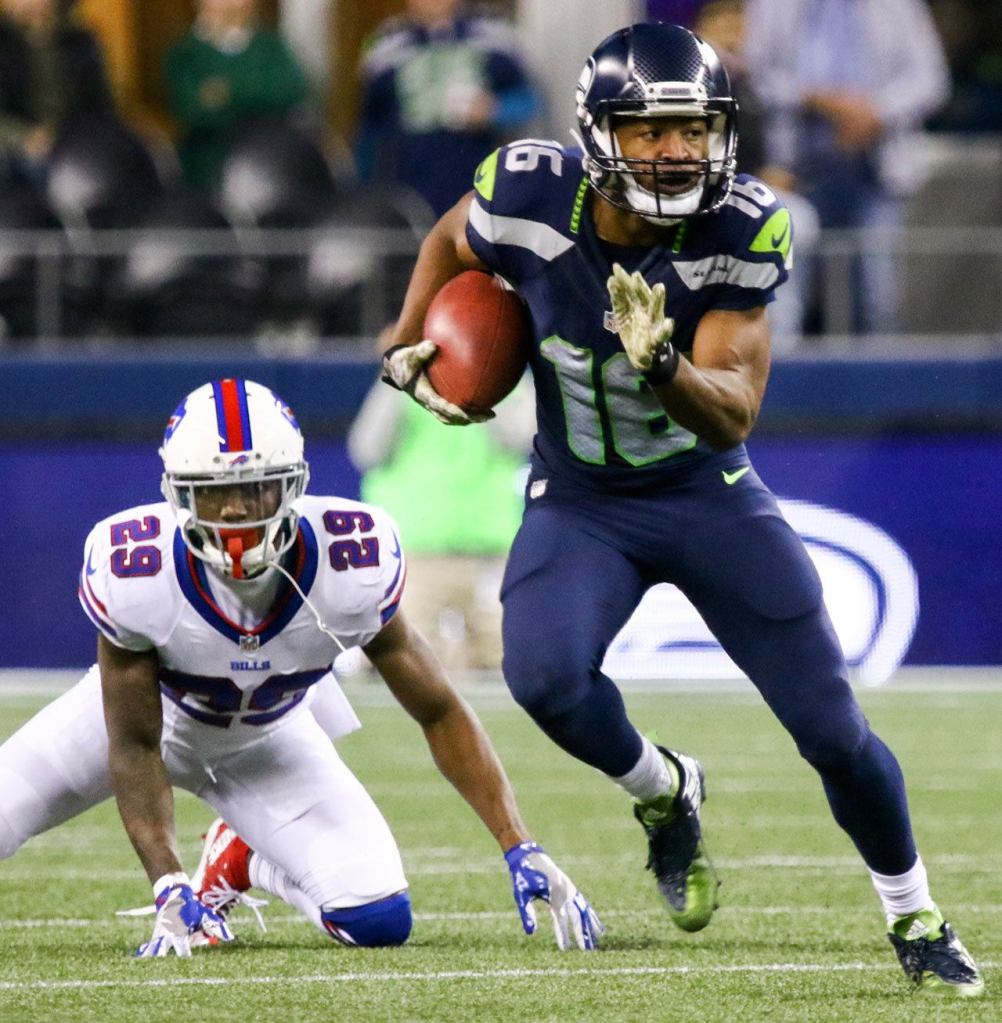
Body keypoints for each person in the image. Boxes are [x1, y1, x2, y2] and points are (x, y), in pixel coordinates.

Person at [379, 22, 983, 996]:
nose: (675, 152)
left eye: (694, 130)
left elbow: (732, 419)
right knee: (542, 678)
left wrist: (661, 365)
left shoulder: (742, 225)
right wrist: (407, 340)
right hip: (579, 497)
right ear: (596, 137)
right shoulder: (531, 193)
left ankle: (914, 912)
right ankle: (664, 792)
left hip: (705, 496)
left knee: (834, 731)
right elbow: (454, 235)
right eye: (649, 132)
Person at [0, 377, 601, 957]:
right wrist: (167, 884)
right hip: (150, 721)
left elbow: (439, 709)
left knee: (377, 918)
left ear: (295, 486)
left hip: (266, 737)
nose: (235, 511)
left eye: (257, 488)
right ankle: (208, 871)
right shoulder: (135, 570)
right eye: (213, 491)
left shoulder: (350, 563)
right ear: (178, 494)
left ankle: (239, 859)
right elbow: (133, 744)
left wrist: (517, 845)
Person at [741, 0, 950, 335]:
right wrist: (816, 99)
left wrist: (876, 112)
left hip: (875, 170)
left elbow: (930, 79)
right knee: (785, 300)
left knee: (875, 297)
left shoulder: (898, 5)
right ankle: (788, 384)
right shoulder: (771, 5)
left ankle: (881, 385)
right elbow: (756, 78)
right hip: (793, 172)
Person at [348, 363, 533, 673]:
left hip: (490, 557)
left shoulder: (507, 375)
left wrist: (484, 376)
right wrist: (398, 378)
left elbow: (519, 438)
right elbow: (366, 450)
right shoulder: (403, 377)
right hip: (415, 559)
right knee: (396, 664)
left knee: (512, 663)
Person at [692, 0, 820, 350]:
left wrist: (771, 174)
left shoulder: (752, 84)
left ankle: (784, 344)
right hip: (695, 196)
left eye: (740, 26)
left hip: (744, 192)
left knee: (796, 218)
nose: (734, 35)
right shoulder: (691, 85)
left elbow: (759, 152)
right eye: (724, 25)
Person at [356, 0, 541, 217]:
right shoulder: (386, 50)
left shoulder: (494, 39)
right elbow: (369, 131)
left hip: (480, 185)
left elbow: (530, 102)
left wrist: (494, 110)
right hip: (411, 193)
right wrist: (367, 193)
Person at [164, 0, 310, 192]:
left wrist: (225, 92)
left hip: (271, 166)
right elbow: (193, 110)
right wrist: (259, 91)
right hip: (205, 171)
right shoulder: (185, 54)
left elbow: (291, 91)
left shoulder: (272, 48)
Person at [0, 0, 115, 183]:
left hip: (73, 144)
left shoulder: (81, 41)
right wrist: (25, 138)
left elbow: (102, 108)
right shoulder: (4, 44)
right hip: (17, 151)